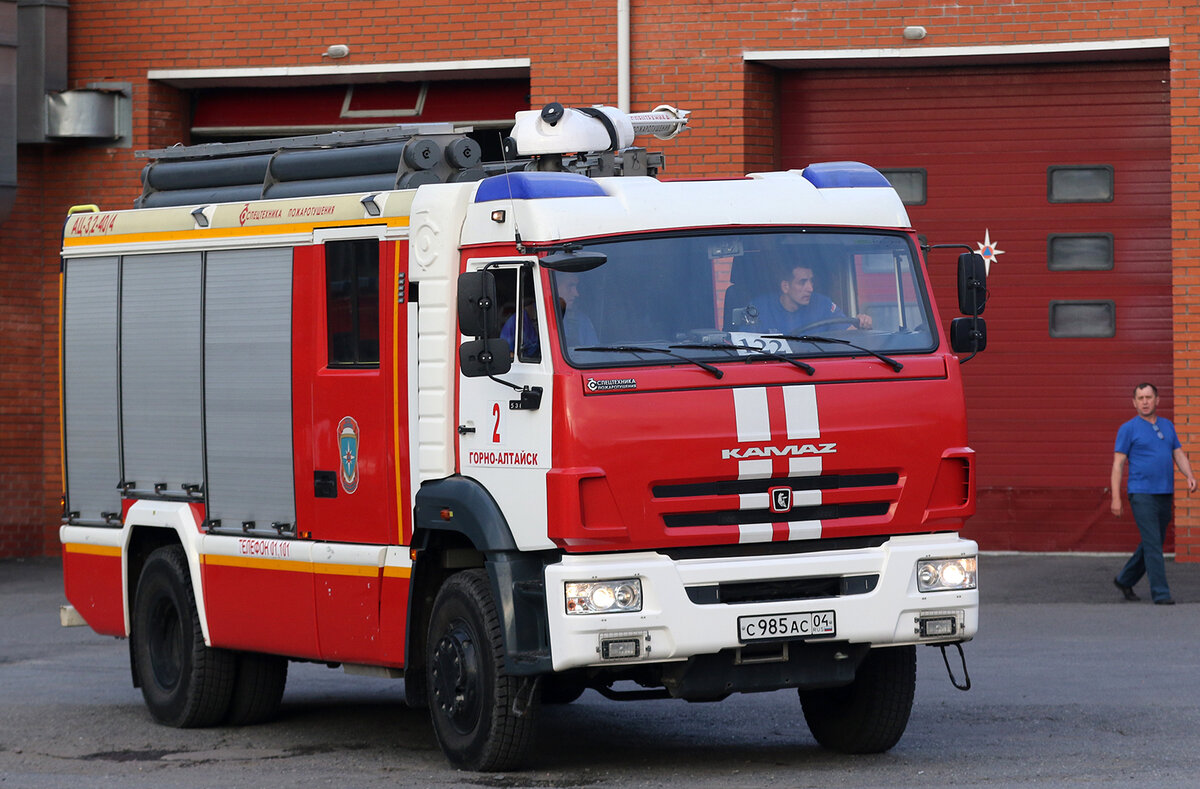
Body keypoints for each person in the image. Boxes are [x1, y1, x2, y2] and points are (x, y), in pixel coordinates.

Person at [1110, 382, 1196, 605]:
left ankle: (1125, 579)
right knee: (1153, 544)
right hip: (1141, 494)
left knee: (1152, 541)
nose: (1145, 402)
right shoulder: (1128, 429)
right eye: (1140, 398)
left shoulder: (1168, 426)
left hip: (1164, 493)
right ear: (1134, 403)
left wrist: (1189, 475)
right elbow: (1118, 464)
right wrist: (1116, 498)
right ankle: (1161, 593)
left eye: (1149, 397)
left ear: (1157, 400)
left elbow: (1178, 454)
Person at [749, 263, 872, 334]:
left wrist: (862, 324)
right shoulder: (759, 308)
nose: (810, 288)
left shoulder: (823, 304)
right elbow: (743, 346)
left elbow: (847, 334)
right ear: (785, 286)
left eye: (811, 281)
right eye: (802, 282)